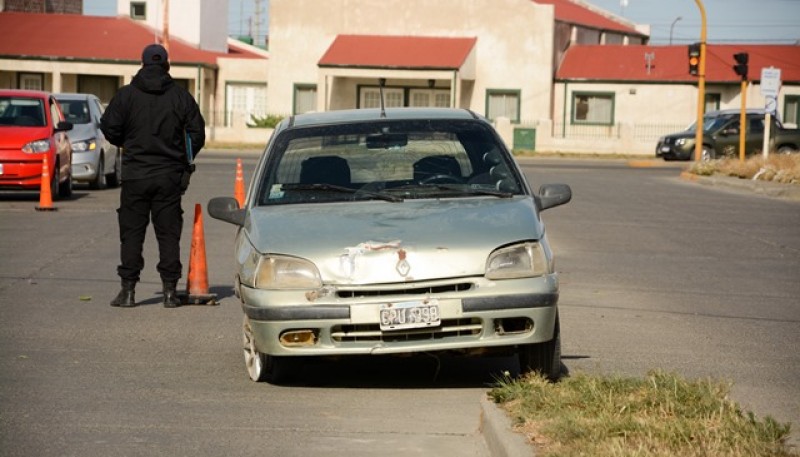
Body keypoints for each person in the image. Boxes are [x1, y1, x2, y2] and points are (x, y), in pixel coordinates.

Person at [101, 43, 205, 308]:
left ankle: (128, 292)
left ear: (143, 64)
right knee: (168, 235)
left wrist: (127, 141)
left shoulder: (126, 96)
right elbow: (197, 133)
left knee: (132, 234)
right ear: (166, 65)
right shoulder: (181, 97)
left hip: (135, 175)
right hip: (169, 177)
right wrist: (183, 156)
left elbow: (109, 128)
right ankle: (170, 293)